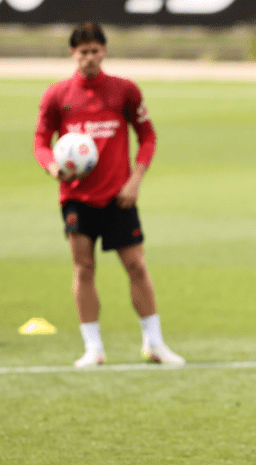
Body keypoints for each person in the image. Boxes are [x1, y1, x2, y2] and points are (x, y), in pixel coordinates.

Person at [33, 21, 184, 368]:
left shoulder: (124, 91)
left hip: (120, 197)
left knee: (136, 266)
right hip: (76, 197)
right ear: (72, 54)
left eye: (95, 51)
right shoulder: (57, 95)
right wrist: (52, 167)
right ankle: (93, 349)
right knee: (83, 268)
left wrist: (135, 180)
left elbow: (147, 136)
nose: (89, 57)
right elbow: (41, 141)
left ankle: (154, 344)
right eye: (83, 52)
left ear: (104, 51)